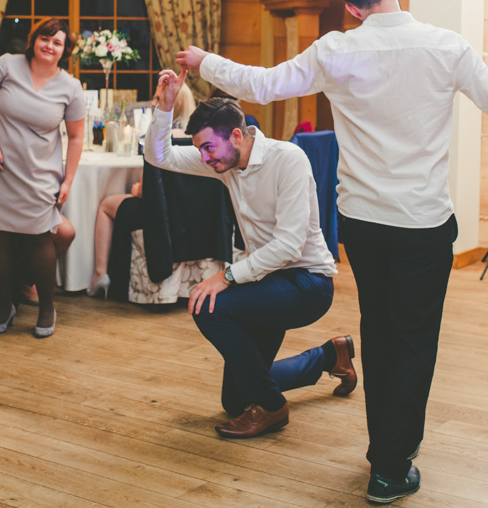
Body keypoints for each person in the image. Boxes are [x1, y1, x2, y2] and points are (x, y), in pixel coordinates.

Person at [175, 0, 488, 503]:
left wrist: (205, 61)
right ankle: (389, 466)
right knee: (413, 344)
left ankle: (382, 453)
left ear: (351, 8)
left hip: (363, 227)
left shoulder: (336, 50)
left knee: (382, 338)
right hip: (422, 226)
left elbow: (262, 85)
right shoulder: (445, 46)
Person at [146, 68, 357, 439]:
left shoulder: (287, 159)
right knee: (236, 398)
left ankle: (273, 407)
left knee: (208, 306)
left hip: (308, 283)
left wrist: (226, 276)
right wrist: (164, 108)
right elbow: (159, 156)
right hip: (266, 281)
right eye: (200, 149)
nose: (204, 157)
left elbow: (289, 246)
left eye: (208, 148)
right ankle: (330, 356)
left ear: (236, 136)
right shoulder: (226, 163)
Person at [0, 18, 85, 338]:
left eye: (57, 42)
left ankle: (47, 307)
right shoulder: (6, 66)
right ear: (33, 39)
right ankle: (3, 306)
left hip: (39, 174)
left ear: (65, 51)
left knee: (39, 237)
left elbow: (77, 137)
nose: (49, 46)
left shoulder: (71, 88)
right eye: (44, 38)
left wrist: (67, 180)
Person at [86, 81, 195, 297]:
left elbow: (146, 191)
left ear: (175, 103)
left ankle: (100, 273)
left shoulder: (161, 138)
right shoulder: (196, 137)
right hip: (189, 214)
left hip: (157, 216)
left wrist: (135, 188)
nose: (153, 103)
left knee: (106, 205)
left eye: (158, 98)